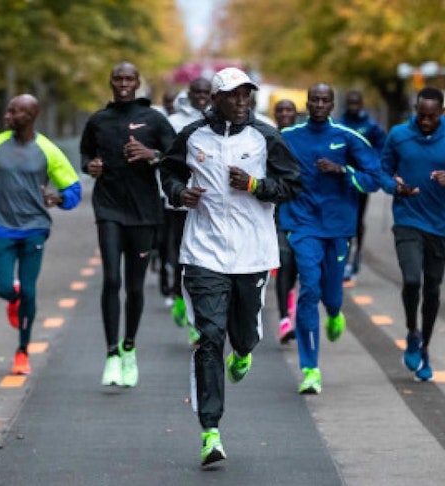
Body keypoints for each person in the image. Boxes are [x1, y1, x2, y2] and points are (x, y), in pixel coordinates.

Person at [160, 67, 300, 467]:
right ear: (215, 99)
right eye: (233, 95)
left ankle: (243, 351)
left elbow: (292, 185)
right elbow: (169, 171)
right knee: (208, 337)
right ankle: (210, 431)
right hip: (203, 251)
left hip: (251, 252)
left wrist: (255, 186)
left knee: (243, 335)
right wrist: (179, 193)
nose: (241, 102)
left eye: (246, 95)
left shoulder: (266, 137)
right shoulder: (192, 136)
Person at [279, 84, 383, 394]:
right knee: (309, 289)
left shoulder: (348, 137)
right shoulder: (288, 136)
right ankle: (310, 369)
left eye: (325, 100)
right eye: (314, 100)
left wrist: (343, 171)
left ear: (332, 104)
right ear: (307, 103)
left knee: (332, 296)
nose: (319, 105)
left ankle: (335, 313)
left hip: (337, 227)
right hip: (302, 224)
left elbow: (374, 179)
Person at [80, 62, 176, 388]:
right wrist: (90, 166)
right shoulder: (98, 120)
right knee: (111, 279)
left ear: (137, 83)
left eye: (128, 79)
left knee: (134, 287)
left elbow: (177, 157)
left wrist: (152, 154)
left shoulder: (154, 119)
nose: (123, 84)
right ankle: (111, 354)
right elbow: (85, 156)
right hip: (109, 207)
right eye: (118, 78)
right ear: (111, 82)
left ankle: (129, 347)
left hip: (144, 212)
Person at [0, 94, 81, 375]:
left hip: (35, 227)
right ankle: (13, 296)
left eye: (14, 112)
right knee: (3, 287)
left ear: (31, 116)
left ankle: (22, 351)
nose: (7, 116)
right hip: (2, 226)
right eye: (8, 110)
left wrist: (59, 199)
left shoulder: (48, 150)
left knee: (30, 291)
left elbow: (73, 189)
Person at [381, 87, 445, 382]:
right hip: (407, 220)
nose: (425, 122)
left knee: (432, 290)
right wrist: (395, 186)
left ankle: (424, 347)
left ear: (442, 113)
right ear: (415, 110)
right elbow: (381, 172)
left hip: (439, 226)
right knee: (412, 280)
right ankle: (411, 331)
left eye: (432, 117)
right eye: (421, 115)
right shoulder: (398, 135)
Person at [163, 77, 212, 345]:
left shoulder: (220, 122)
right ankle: (180, 296)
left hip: (210, 204)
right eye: (197, 92)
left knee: (202, 264)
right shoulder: (174, 122)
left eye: (206, 92)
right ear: (189, 94)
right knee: (181, 257)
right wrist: (177, 190)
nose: (202, 96)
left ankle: (197, 318)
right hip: (179, 202)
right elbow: (167, 160)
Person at [337, 90, 388, 281]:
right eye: (349, 103)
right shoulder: (339, 124)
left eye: (355, 103)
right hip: (341, 179)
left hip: (361, 181)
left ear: (361, 104)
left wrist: (375, 167)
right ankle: (341, 259)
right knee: (342, 218)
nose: (352, 106)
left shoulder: (371, 127)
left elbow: (381, 150)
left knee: (357, 220)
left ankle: (355, 258)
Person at [272, 99, 300, 344]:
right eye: (280, 110)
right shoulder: (267, 138)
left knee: (295, 266)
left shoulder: (303, 139)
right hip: (275, 210)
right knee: (284, 260)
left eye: (288, 110)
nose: (284, 114)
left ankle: (290, 295)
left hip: (302, 211)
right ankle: (283, 319)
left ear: (296, 114)